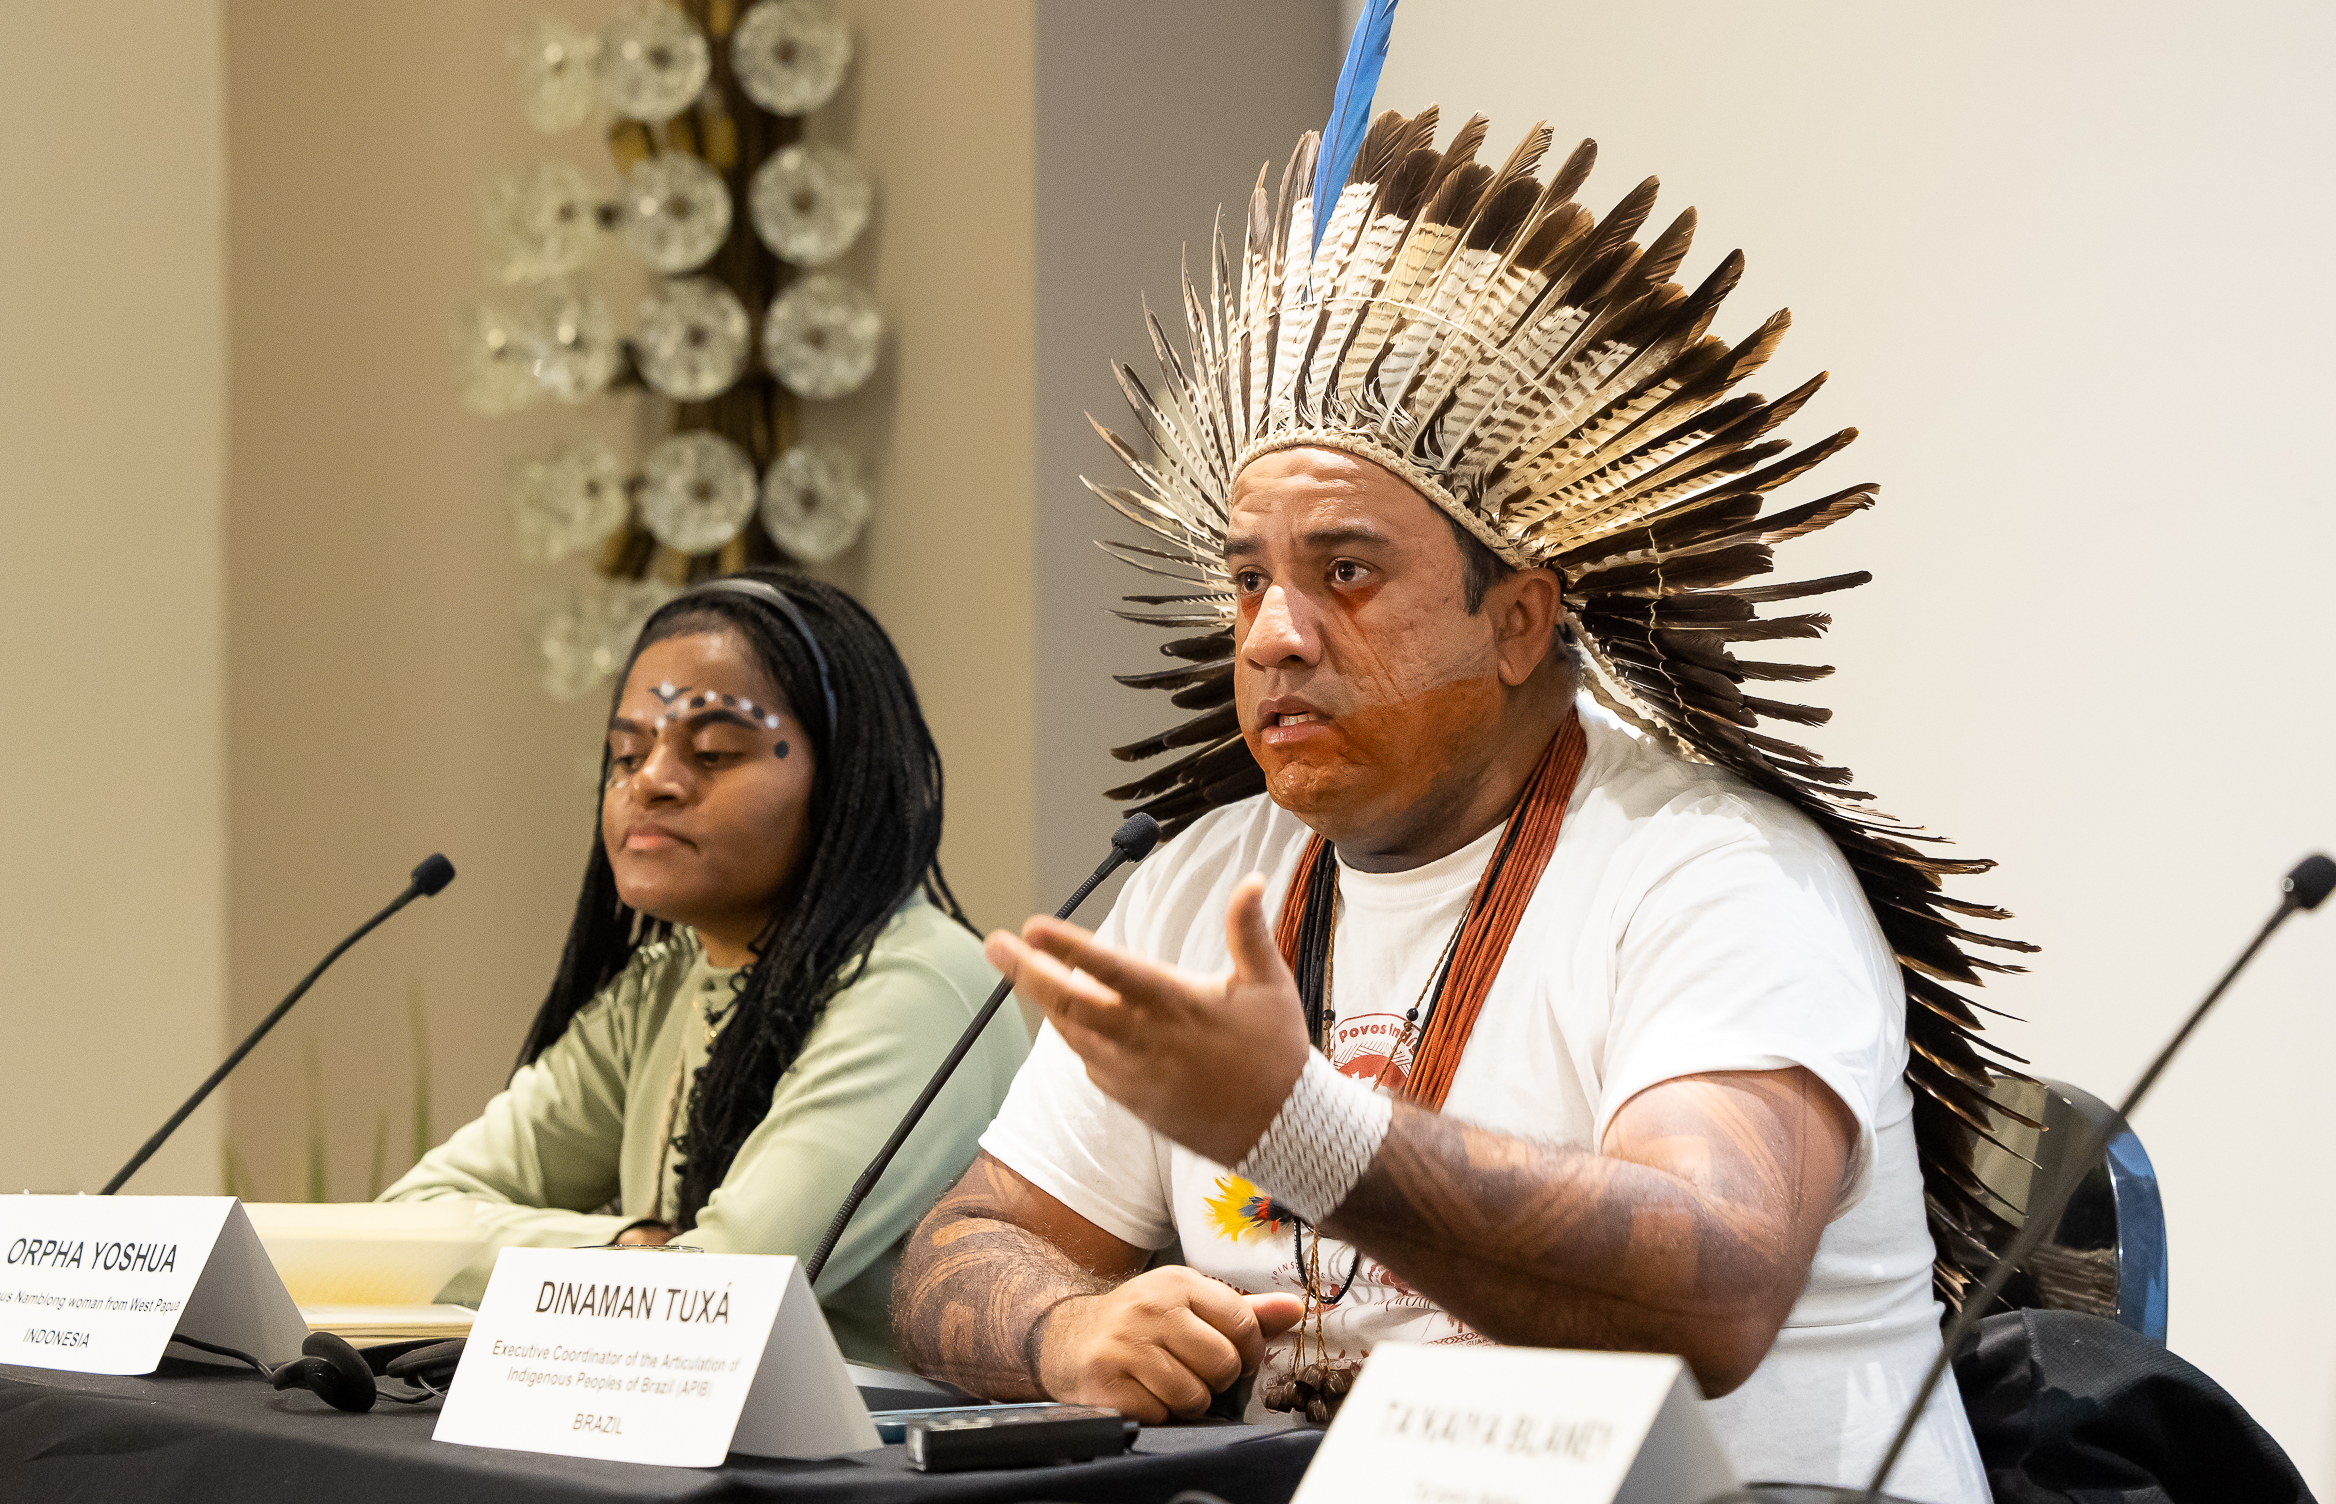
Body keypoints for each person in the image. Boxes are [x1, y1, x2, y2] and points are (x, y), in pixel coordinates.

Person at [892, 84, 2024, 1503]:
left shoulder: (1719, 874)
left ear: (1521, 619)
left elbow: (1714, 1285)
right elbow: (961, 1244)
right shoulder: (1207, 875)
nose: (1271, 633)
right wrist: (1066, 1324)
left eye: (1345, 572)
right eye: (1250, 576)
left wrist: (1297, 1120)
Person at [383, 572, 1028, 1366]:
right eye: (626, 753)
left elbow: (724, 1288)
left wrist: (656, 1262)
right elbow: (408, 1223)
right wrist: (629, 1245)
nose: (651, 780)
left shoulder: (919, 984)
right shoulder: (659, 990)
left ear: (841, 781)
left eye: (714, 749)